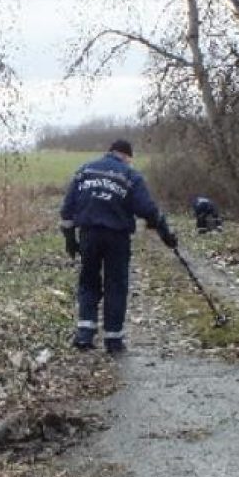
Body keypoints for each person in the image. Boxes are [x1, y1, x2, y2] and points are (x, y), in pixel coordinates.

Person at [59, 139, 178, 354]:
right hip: (117, 237)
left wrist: (70, 238)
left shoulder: (84, 171)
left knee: (88, 282)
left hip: (89, 234)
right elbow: (148, 209)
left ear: (110, 151)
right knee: (116, 285)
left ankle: (85, 334)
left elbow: (67, 208)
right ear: (127, 156)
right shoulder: (131, 176)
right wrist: (165, 234)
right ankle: (113, 341)